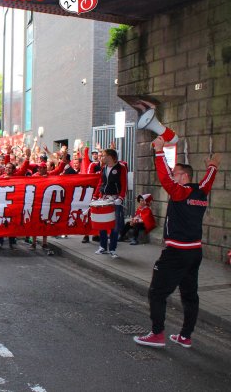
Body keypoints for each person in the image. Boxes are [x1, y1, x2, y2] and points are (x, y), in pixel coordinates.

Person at [134, 136, 220, 349]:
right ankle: (185, 336)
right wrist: (213, 166)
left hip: (176, 253)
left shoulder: (181, 192)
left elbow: (164, 178)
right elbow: (209, 179)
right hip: (194, 252)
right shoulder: (202, 192)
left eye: (176, 173)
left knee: (157, 292)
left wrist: (160, 151)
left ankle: (157, 334)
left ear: (184, 176)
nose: (172, 176)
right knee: (190, 295)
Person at [93, 148, 127, 258]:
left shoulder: (121, 168)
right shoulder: (104, 168)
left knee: (115, 225)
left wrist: (120, 198)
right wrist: (95, 196)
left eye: (103, 156)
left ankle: (112, 249)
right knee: (102, 223)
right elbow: (101, 182)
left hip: (115, 199)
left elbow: (124, 184)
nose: (101, 157)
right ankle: (102, 246)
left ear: (110, 157)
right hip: (104, 199)